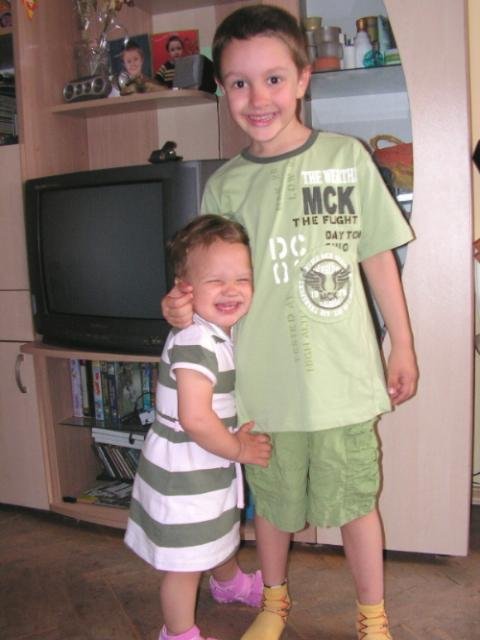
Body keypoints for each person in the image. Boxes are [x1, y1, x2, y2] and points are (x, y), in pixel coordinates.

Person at [162, 5, 418, 640]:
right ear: (222, 89)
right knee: (272, 508)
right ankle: (273, 603)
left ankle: (373, 616)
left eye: (274, 79)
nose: (258, 98)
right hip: (262, 389)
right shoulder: (224, 187)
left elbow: (378, 257)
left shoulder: (346, 158)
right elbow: (206, 284)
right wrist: (180, 306)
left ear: (303, 79)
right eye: (239, 83)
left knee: (356, 503)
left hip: (342, 383)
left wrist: (402, 345)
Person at [124, 214, 272, 640]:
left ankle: (229, 583)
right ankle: (178, 632)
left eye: (242, 279)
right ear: (184, 289)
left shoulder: (217, 330)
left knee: (215, 529)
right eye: (216, 281)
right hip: (186, 467)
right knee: (184, 562)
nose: (232, 290)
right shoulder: (195, 341)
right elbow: (195, 418)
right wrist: (239, 450)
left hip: (206, 459)